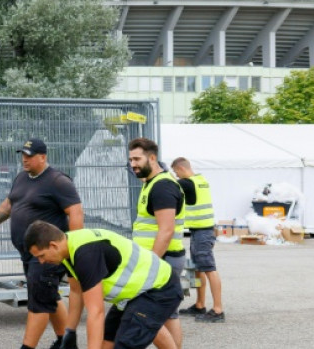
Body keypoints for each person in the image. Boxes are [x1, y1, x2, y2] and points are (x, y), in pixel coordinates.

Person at [0, 138, 83, 349]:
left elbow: (75, 212)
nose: (24, 160)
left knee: (39, 302)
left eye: (29, 156)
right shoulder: (22, 178)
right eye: (23, 155)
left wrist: (75, 247)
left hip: (49, 253)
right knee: (47, 296)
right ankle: (66, 342)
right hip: (29, 253)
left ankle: (28, 347)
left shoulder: (58, 181)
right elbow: (9, 203)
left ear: (42, 157)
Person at [25, 221, 183, 349]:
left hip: (159, 289)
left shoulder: (85, 255)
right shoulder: (68, 247)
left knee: (125, 343)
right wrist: (70, 332)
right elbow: (76, 292)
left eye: (42, 256)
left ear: (53, 245)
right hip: (135, 294)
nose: (41, 262)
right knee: (106, 343)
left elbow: (96, 312)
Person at [128, 137, 185, 349]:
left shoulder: (162, 187)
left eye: (137, 159)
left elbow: (166, 230)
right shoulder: (151, 183)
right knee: (168, 314)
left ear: (152, 158)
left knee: (148, 315)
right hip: (162, 259)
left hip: (162, 260)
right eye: (130, 159)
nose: (132, 164)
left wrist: (151, 262)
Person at [171, 157, 225, 323]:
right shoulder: (200, 179)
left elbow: (168, 183)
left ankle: (218, 310)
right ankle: (199, 304)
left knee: (208, 267)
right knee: (197, 268)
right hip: (201, 231)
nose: (176, 175)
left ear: (180, 169)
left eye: (176, 172)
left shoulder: (187, 183)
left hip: (203, 232)